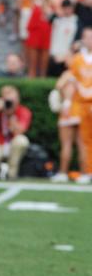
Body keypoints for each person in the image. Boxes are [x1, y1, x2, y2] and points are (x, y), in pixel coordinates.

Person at [50, 42, 86, 183]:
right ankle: (84, 173)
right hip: (80, 111)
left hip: (68, 110)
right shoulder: (83, 74)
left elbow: (62, 88)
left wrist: (65, 103)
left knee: (67, 144)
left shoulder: (70, 73)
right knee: (81, 144)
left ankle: (63, 172)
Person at [68, 27, 92, 184]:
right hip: (81, 103)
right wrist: (67, 102)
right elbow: (72, 81)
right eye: (87, 37)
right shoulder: (77, 59)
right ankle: (87, 170)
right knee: (83, 140)